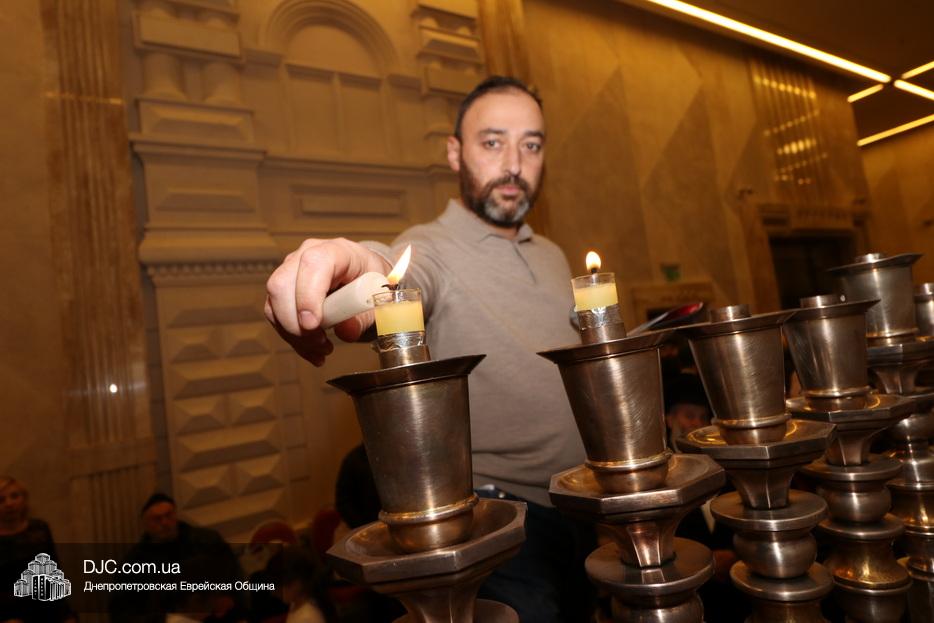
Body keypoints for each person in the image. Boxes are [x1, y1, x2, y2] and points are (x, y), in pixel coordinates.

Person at [265, 76, 594, 621]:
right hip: (501, 520)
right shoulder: (433, 248)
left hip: (582, 505)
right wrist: (355, 265)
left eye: (531, 144)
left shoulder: (554, 256)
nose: (514, 163)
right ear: (455, 153)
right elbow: (394, 271)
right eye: (492, 142)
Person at [110, 493, 245, 622]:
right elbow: (122, 611)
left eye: (169, 515)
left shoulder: (207, 541)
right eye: (157, 519)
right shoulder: (135, 562)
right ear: (145, 525)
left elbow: (235, 576)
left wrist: (229, 597)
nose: (165, 522)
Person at [0, 476, 75, 623]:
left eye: (14, 496)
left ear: (24, 499)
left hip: (46, 607)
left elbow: (54, 573)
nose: (9, 504)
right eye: (1, 500)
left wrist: (66, 614)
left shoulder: (39, 529)